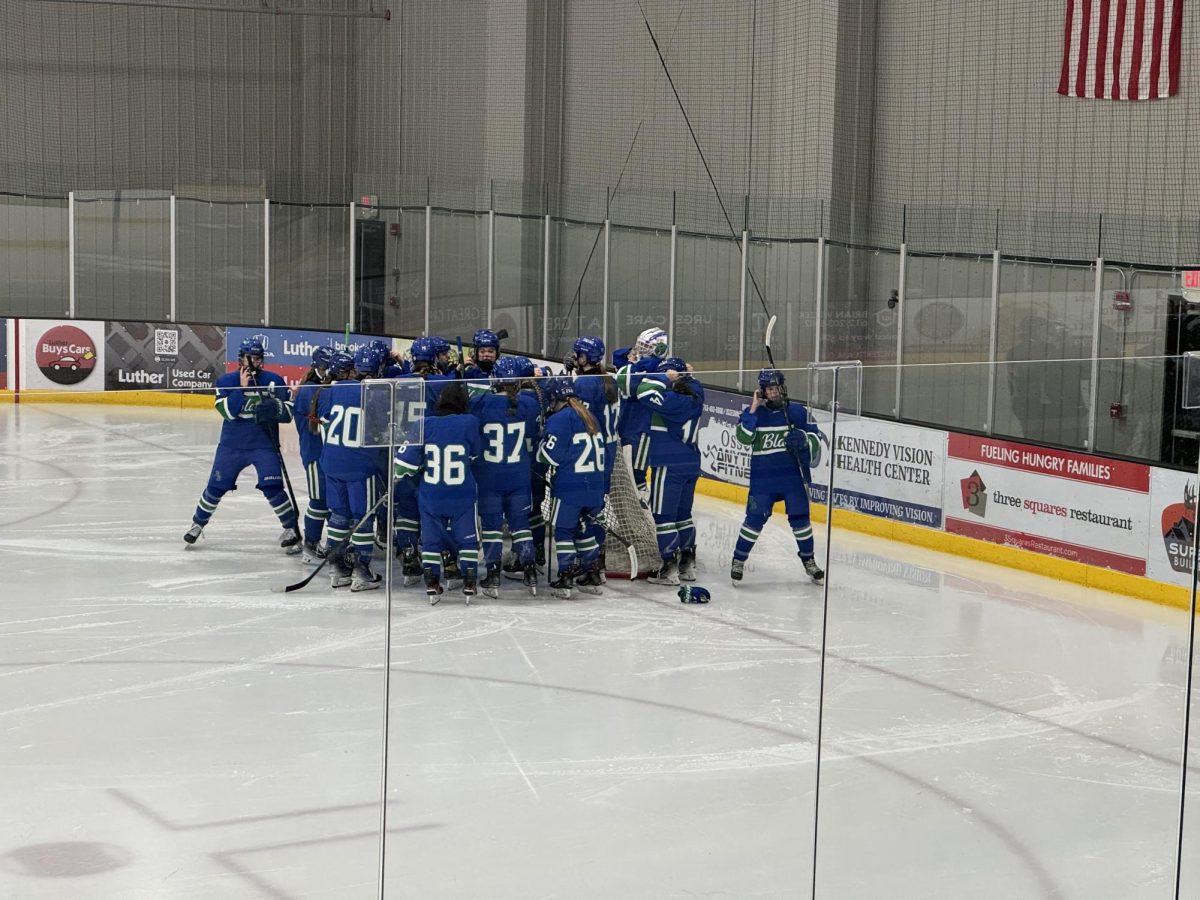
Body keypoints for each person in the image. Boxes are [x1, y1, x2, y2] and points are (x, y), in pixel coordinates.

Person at [184, 337, 300, 552]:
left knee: (272, 487)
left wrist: (274, 408)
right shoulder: (227, 381)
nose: (254, 362)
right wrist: (242, 388)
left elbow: (289, 413)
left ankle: (291, 528)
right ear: (241, 359)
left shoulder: (274, 380)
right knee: (216, 487)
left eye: (257, 358)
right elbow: (226, 412)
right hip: (232, 445)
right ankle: (197, 524)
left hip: (264, 444)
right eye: (250, 358)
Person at [731, 368, 825, 585]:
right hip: (763, 480)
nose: (772, 393)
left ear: (783, 388)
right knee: (754, 520)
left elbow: (816, 446)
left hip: (791, 477)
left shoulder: (798, 413)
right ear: (761, 391)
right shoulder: (755, 413)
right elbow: (743, 438)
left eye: (775, 388)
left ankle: (809, 561)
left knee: (801, 519)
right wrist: (753, 410)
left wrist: (802, 438)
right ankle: (738, 559)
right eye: (768, 389)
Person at [394, 382, 483, 603]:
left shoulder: (424, 424)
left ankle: (432, 582)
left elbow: (404, 464)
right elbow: (474, 454)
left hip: (432, 494)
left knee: (431, 540)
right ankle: (470, 580)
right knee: (467, 538)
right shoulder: (470, 422)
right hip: (462, 493)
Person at [317, 347, 388, 591]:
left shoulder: (335, 387)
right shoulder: (377, 393)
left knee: (338, 515)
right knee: (363, 517)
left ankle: (337, 568)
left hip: (332, 461)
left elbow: (325, 419)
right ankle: (361, 570)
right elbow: (383, 432)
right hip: (359, 466)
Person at [470, 355, 542, 596]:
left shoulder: (482, 403)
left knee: (492, 527)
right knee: (521, 525)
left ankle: (492, 575)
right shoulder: (530, 404)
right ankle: (529, 569)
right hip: (519, 475)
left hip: (489, 476)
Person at [537, 377, 607, 598]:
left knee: (564, 531)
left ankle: (566, 576)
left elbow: (549, 455)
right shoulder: (590, 415)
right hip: (595, 485)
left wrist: (539, 446)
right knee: (584, 528)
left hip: (570, 487)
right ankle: (592, 572)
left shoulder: (561, 418)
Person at [638, 356, 704, 586]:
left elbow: (644, 390)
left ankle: (669, 569)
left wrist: (663, 377)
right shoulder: (695, 394)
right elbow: (692, 384)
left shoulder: (672, 401)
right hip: (690, 463)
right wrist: (686, 375)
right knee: (683, 516)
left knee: (664, 517)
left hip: (669, 463)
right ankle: (688, 565)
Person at [293, 345, 334, 562]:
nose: (329, 371)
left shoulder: (321, 387)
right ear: (317, 367)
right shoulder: (309, 389)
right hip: (314, 455)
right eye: (326, 367)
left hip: (328, 455)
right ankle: (310, 543)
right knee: (319, 500)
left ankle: (330, 542)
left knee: (330, 500)